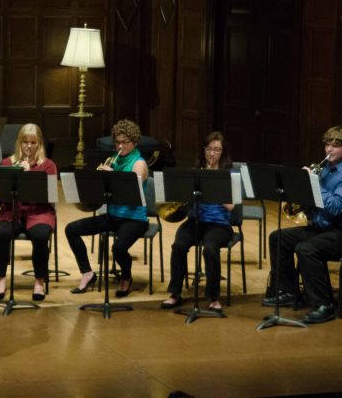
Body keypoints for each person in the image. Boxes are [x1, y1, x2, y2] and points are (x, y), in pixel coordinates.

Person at [261, 125, 342, 324]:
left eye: (336, 145)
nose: (329, 149)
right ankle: (290, 291)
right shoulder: (325, 170)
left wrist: (314, 183)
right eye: (327, 144)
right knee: (279, 237)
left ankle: (324, 305)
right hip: (324, 228)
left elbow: (335, 207)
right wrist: (301, 188)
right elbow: (316, 203)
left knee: (307, 249)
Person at [65, 119, 149, 297]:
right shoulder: (112, 160)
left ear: (134, 142)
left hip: (134, 219)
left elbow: (133, 187)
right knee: (71, 230)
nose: (120, 146)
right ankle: (87, 273)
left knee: (118, 249)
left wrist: (113, 176)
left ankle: (126, 277)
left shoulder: (139, 163)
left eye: (124, 142)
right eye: (117, 142)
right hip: (112, 217)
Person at [161, 131, 234, 312]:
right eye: (209, 149)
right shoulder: (195, 173)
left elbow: (231, 206)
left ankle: (213, 297)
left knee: (210, 248)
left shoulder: (228, 174)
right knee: (178, 245)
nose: (212, 153)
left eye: (217, 150)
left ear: (223, 153)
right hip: (196, 221)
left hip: (219, 224)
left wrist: (213, 186)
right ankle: (175, 293)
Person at [0, 123, 56, 302]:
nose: (28, 146)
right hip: (12, 211)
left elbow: (49, 198)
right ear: (19, 143)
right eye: (25, 142)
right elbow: (0, 195)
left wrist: (27, 178)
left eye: (33, 142)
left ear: (39, 144)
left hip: (39, 211)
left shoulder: (48, 166)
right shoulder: (7, 163)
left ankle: (39, 281)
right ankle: (0, 279)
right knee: (1, 233)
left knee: (40, 236)